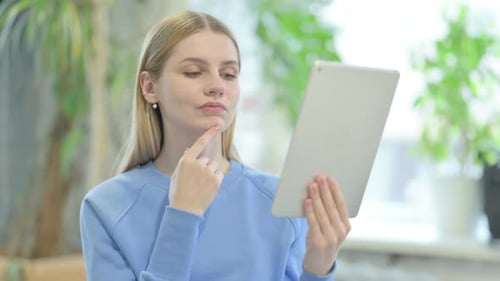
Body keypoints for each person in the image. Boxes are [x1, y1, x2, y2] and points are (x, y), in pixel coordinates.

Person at [80, 10, 351, 281]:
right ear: (150, 87)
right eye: (194, 72)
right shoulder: (105, 207)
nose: (217, 86)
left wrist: (318, 269)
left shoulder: (282, 201)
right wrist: (183, 215)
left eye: (229, 74)